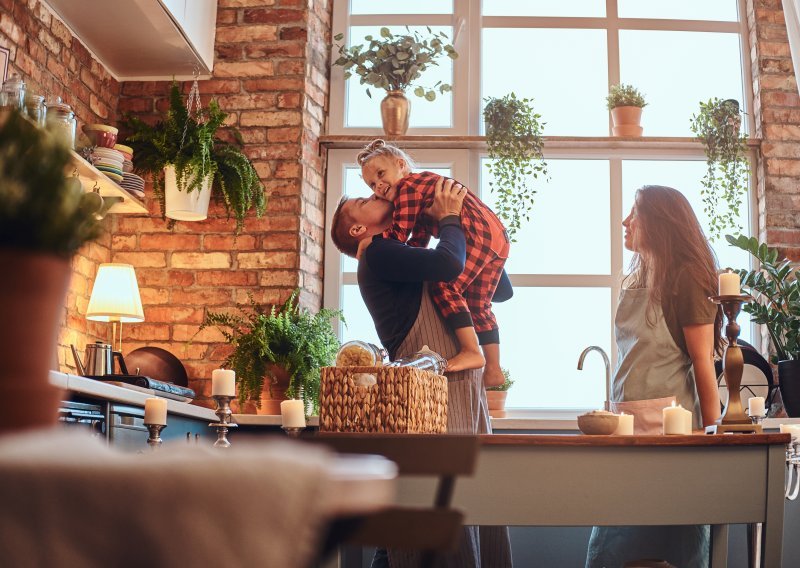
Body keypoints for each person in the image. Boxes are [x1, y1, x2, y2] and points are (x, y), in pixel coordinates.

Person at [330, 177, 514, 568]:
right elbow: (449, 263)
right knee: (436, 514)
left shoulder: (405, 250)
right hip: (429, 395)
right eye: (367, 198)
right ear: (359, 229)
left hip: (460, 390)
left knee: (472, 505)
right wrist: (448, 217)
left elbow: (499, 289)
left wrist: (468, 221)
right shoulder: (377, 253)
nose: (380, 192)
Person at [586, 185, 723, 568]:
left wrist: (712, 440)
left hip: (673, 441)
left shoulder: (687, 278)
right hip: (626, 433)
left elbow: (702, 365)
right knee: (610, 552)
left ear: (660, 223)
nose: (625, 222)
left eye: (634, 213)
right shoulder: (636, 277)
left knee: (679, 551)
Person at [356, 139, 510, 387]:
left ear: (401, 165)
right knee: (478, 304)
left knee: (444, 286)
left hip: (476, 232)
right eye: (372, 184)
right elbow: (418, 241)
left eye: (381, 174)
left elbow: (398, 234)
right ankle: (494, 368)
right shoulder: (422, 191)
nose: (379, 186)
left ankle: (472, 350)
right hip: (497, 236)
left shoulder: (409, 188)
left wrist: (371, 240)